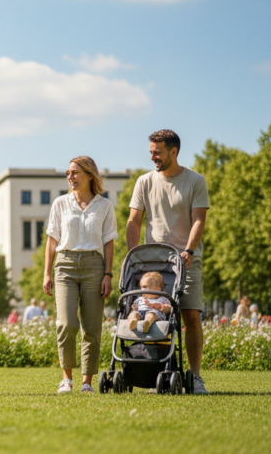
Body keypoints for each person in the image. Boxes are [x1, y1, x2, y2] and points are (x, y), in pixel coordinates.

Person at [126, 129, 210, 394]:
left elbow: (199, 219)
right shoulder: (144, 182)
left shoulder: (195, 181)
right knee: (153, 314)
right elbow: (134, 221)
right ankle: (155, 372)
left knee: (191, 316)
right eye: (151, 152)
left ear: (174, 152)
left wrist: (190, 250)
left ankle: (195, 377)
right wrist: (134, 257)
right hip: (153, 264)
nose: (153, 157)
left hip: (186, 259)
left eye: (158, 152)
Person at [43, 156, 116, 394]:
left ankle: (86, 382)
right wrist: (47, 273)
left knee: (92, 327)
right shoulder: (60, 203)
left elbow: (108, 242)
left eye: (75, 172)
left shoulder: (104, 206)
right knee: (66, 323)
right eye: (68, 173)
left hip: (95, 266)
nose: (70, 177)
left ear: (89, 175)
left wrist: (108, 274)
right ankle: (67, 378)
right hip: (64, 265)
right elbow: (52, 240)